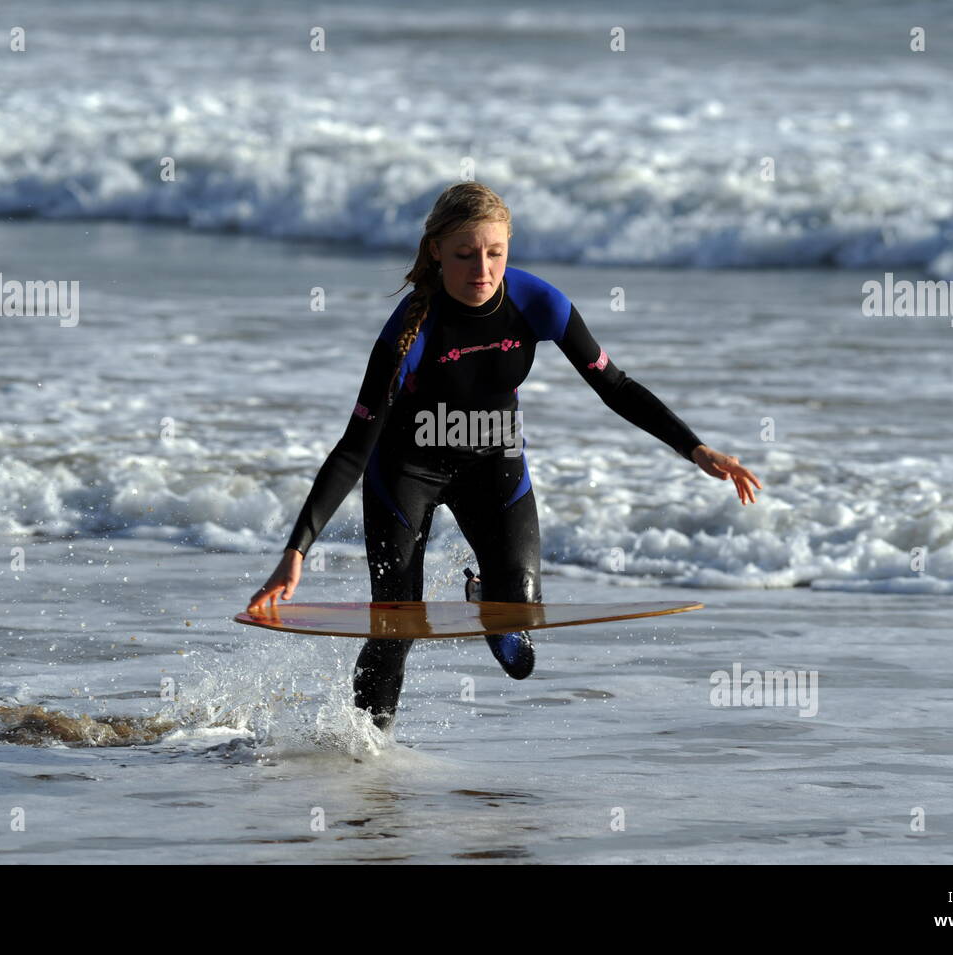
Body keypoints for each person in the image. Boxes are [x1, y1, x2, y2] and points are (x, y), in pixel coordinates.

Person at [246, 182, 761, 731]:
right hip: (405, 473)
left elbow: (615, 385)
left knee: (519, 646)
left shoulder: (538, 303)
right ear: (436, 251)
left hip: (494, 464)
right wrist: (297, 550)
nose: (482, 270)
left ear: (509, 245)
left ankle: (484, 595)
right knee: (397, 625)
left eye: (495, 253)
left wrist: (696, 447)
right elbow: (354, 446)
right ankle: (367, 755)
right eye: (465, 254)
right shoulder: (409, 331)